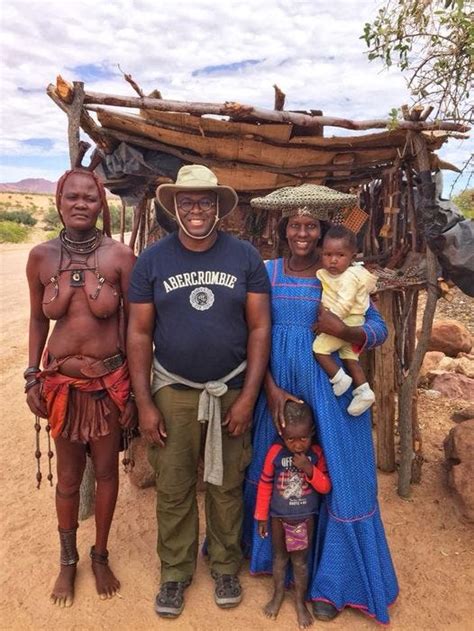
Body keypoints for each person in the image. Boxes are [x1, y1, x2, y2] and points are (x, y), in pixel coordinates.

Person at [244, 185, 398, 625]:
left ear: (321, 232)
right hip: (280, 391)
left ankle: (336, 583)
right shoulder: (267, 272)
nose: (303, 233)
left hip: (332, 391)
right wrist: (268, 389)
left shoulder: (344, 274)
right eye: (295, 224)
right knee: (274, 468)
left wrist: (341, 330)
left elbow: (378, 328)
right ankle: (273, 563)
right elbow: (251, 334)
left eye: (311, 225)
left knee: (344, 479)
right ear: (284, 228)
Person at [126, 164, 271, 619]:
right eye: (186, 201)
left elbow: (260, 327)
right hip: (173, 389)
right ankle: (174, 572)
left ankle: (226, 564)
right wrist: (145, 401)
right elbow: (138, 333)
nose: (195, 209)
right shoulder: (153, 259)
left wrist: (247, 396)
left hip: (229, 387)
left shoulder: (244, 257)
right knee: (173, 485)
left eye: (204, 202)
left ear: (217, 208)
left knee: (227, 483)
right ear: (173, 206)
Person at [25, 167, 137, 607]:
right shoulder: (40, 257)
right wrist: (31, 374)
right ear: (59, 201)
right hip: (60, 387)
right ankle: (67, 561)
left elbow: (134, 327)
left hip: (108, 384)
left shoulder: (120, 257)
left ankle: (100, 555)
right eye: (71, 196)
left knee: (107, 473)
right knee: (68, 479)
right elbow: (37, 319)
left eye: (89, 197)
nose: (80, 204)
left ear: (100, 204)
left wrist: (132, 389)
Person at [255, 401, 331, 629]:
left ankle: (299, 603)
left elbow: (325, 487)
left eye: (303, 439)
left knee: (299, 562)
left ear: (312, 433)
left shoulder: (316, 455)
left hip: (304, 517)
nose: (297, 445)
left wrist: (309, 469)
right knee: (279, 558)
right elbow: (265, 483)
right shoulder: (276, 453)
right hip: (278, 517)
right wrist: (261, 515)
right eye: (291, 439)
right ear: (282, 433)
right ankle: (278, 595)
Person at [313, 225, 377, 416]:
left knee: (319, 349)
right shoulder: (350, 274)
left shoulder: (348, 277)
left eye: (340, 256)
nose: (333, 260)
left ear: (352, 256)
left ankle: (339, 378)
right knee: (349, 357)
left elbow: (345, 303)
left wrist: (328, 322)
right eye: (327, 254)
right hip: (353, 322)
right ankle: (364, 391)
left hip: (344, 322)